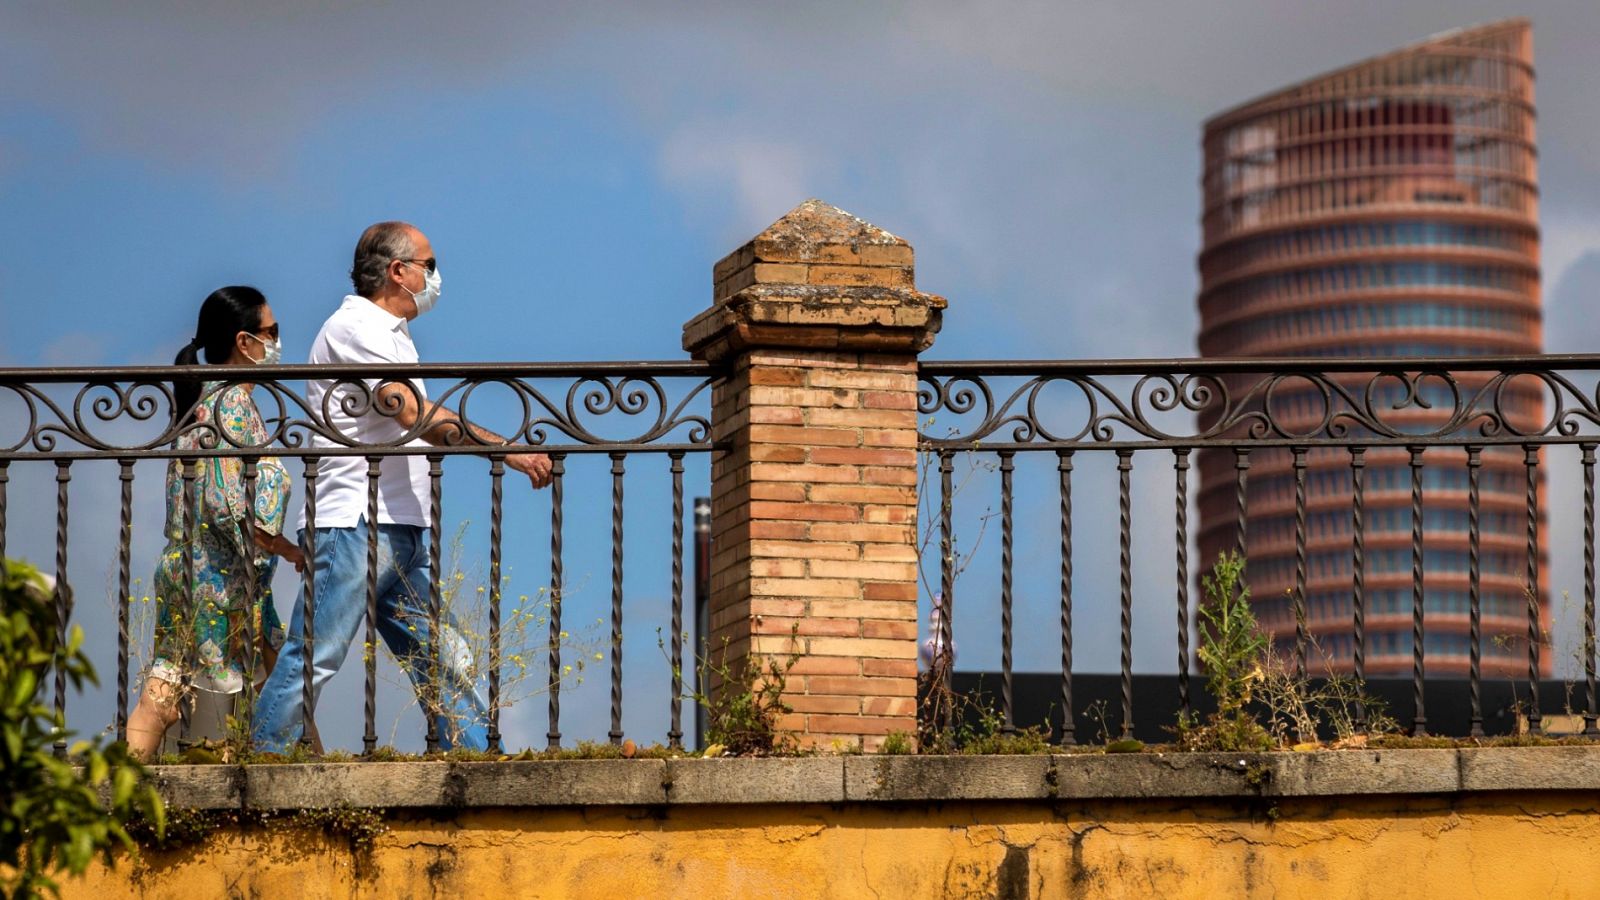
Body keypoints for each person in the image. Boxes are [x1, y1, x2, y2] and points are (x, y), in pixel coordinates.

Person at [253, 221, 552, 752]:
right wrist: (507, 449)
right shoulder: (357, 330)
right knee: (315, 654)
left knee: (439, 656)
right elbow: (415, 416)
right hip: (354, 525)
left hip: (397, 527)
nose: (436, 277)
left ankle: (477, 760)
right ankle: (259, 770)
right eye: (429, 266)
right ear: (398, 271)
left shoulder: (390, 332)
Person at [127, 286, 305, 760]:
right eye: (272, 332)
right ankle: (317, 795)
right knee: (279, 686)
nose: (278, 342)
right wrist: (283, 547)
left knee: (269, 682)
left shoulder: (205, 400)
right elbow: (227, 501)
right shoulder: (230, 405)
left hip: (203, 573)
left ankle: (109, 799)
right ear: (244, 342)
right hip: (220, 580)